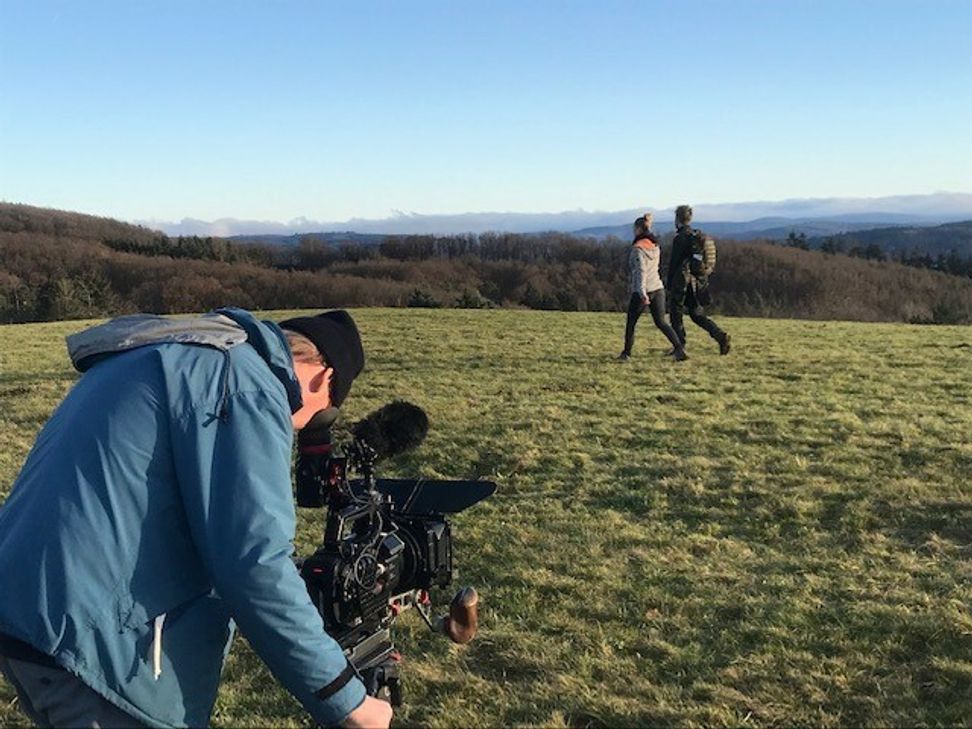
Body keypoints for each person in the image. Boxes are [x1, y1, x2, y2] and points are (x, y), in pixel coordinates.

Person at [0, 307, 393, 729]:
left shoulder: (174, 353)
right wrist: (347, 700)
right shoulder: (244, 381)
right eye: (320, 416)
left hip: (31, 613)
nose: (300, 427)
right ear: (323, 378)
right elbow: (253, 563)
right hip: (86, 638)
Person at [618, 213, 687, 361]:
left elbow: (640, 271)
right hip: (658, 287)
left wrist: (642, 293)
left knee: (631, 323)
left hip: (642, 290)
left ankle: (626, 353)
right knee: (661, 322)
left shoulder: (638, 249)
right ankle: (679, 349)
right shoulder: (655, 245)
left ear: (638, 229)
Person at [666, 205, 731, 355]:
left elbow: (674, 263)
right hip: (696, 282)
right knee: (697, 315)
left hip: (682, 282)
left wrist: (669, 284)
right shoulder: (696, 236)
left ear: (677, 219)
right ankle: (720, 336)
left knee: (676, 315)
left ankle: (679, 346)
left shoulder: (680, 238)